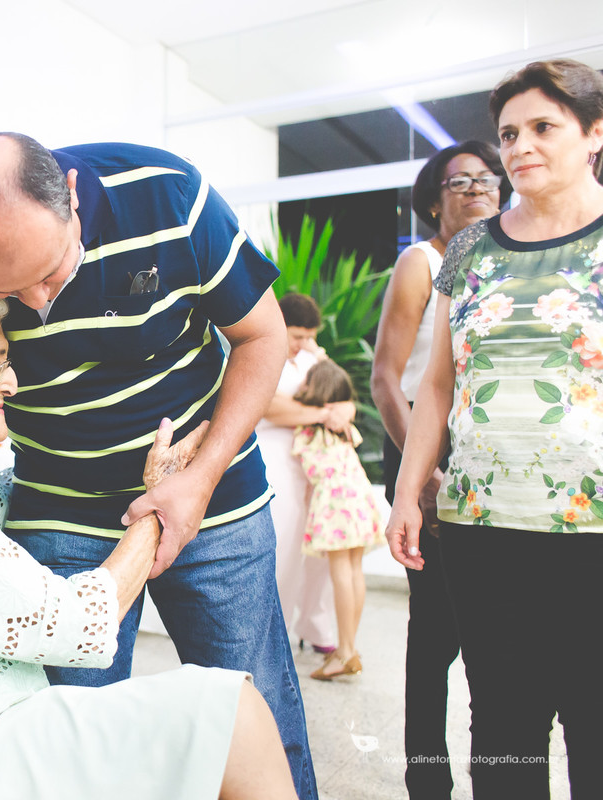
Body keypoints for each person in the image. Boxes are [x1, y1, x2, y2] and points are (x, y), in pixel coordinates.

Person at [0, 133, 318, 800]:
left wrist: (200, 477)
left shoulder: (166, 193)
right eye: (8, 294)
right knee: (76, 743)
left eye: (50, 272)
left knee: (261, 708)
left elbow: (262, 335)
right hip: (59, 507)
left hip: (214, 496)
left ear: (72, 199)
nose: (39, 305)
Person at [386, 58, 603, 797]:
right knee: (505, 735)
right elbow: (438, 383)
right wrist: (409, 493)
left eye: (544, 127)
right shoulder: (471, 251)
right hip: (483, 529)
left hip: (594, 532)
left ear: (594, 132)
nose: (520, 147)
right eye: (509, 133)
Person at [370, 141, 508, 798]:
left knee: (497, 641)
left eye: (489, 178)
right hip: (429, 461)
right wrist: (419, 475)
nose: (478, 187)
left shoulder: (513, 265)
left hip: (500, 471)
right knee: (435, 637)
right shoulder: (421, 262)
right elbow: (386, 379)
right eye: (461, 182)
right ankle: (428, 783)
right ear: (434, 200)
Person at [255, 293, 353, 657]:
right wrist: (322, 414)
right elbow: (269, 406)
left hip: (317, 462)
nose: (300, 343)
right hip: (273, 454)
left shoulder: (311, 357)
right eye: (296, 335)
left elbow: (343, 395)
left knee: (321, 551)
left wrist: (320, 353)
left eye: (306, 336)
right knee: (282, 542)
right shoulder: (260, 349)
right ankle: (269, 626)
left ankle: (314, 622)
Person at [291, 359, 382, 680]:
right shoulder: (345, 429)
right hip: (358, 495)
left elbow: (307, 469)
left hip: (334, 501)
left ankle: (344, 652)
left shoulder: (306, 430)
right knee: (355, 571)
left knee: (341, 573)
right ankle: (349, 648)